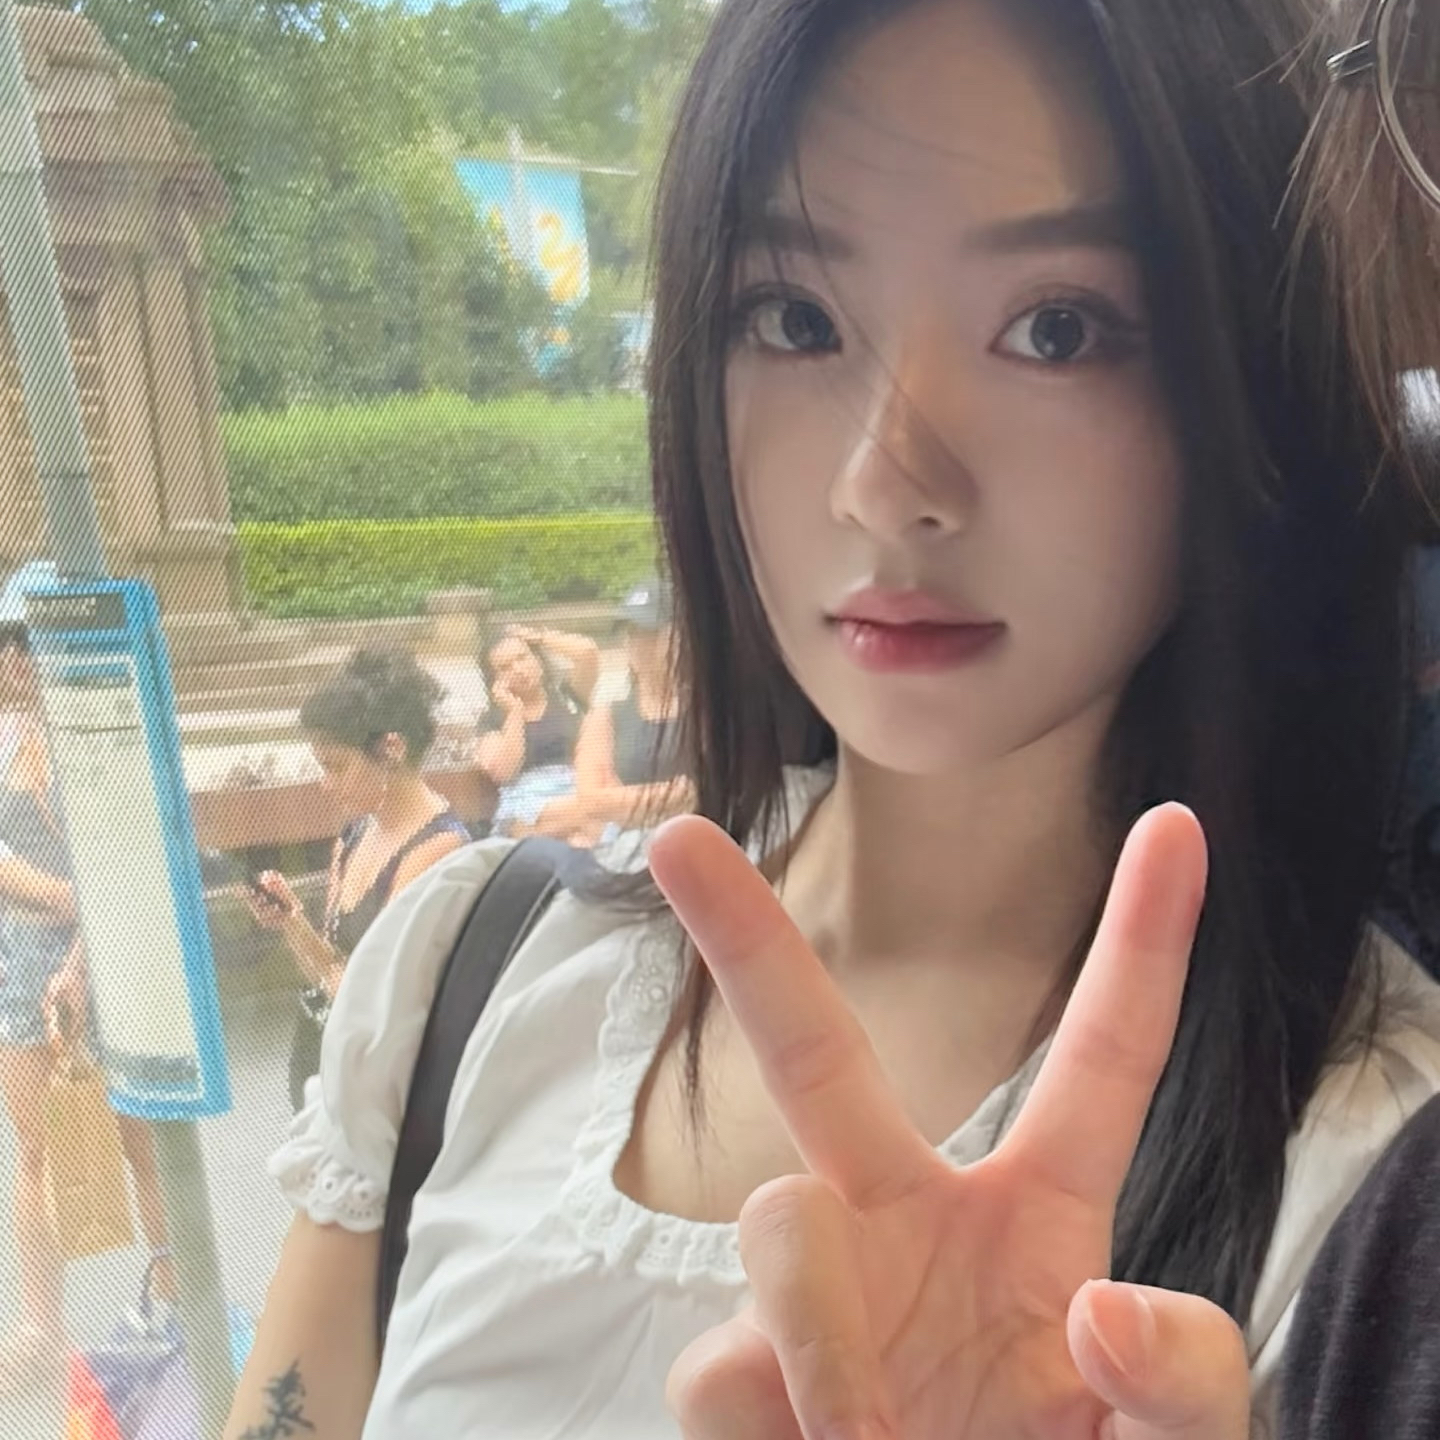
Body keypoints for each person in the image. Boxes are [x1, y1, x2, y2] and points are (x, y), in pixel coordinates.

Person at [223, 0, 1440, 1437]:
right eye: (794, 320)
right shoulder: (472, 971)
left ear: (1252, 389)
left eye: (1058, 329)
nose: (884, 483)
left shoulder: (1371, 1180)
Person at [0, 621, 176, 1395]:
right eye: (9, 648)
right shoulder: (6, 738)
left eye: (25, 645)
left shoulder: (101, 731)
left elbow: (130, 848)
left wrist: (88, 928)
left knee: (147, 1139)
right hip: (20, 956)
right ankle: (42, 1328)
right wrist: (63, 895)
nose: (14, 662)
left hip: (118, 948)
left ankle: (181, 1309)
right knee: (36, 1144)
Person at [248, 650, 470, 1110]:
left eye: (336, 765)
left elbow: (375, 993)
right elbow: (330, 965)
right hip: (326, 1063)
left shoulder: (438, 850)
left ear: (391, 749)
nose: (326, 783)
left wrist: (334, 973)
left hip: (387, 1087)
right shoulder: (354, 834)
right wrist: (292, 921)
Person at [574, 579, 694, 836]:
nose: (637, 643)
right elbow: (590, 802)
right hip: (631, 846)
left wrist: (623, 800)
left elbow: (714, 791)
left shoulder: (708, 713)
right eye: (630, 633)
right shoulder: (605, 716)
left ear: (680, 636)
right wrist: (673, 793)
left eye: (649, 633)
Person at [476, 624, 602, 840]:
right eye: (505, 667)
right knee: (598, 814)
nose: (518, 669)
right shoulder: (493, 719)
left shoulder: (568, 696)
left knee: (580, 840)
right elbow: (504, 772)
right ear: (494, 680)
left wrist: (538, 637)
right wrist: (514, 712)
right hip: (527, 805)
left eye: (522, 657)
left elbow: (588, 653)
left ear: (537, 658)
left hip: (577, 789)